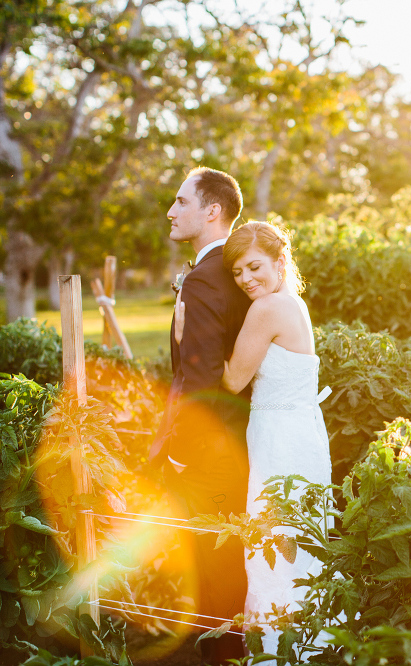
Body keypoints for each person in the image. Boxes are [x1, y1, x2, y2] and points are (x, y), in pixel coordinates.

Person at [173, 221, 332, 657]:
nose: (245, 280)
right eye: (239, 272)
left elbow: (231, 379)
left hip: (278, 441)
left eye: (254, 267)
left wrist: (187, 337)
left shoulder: (266, 311)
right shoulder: (293, 303)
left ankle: (278, 649)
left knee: (272, 547)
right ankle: (309, 644)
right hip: (303, 437)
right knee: (298, 548)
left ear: (281, 261)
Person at [152, 166, 251, 664]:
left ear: (212, 211)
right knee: (224, 561)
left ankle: (220, 654)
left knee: (213, 567)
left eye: (181, 202)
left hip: (211, 455)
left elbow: (204, 380)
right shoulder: (229, 275)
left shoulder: (208, 280)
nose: (170, 212)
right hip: (235, 445)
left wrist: (185, 455)